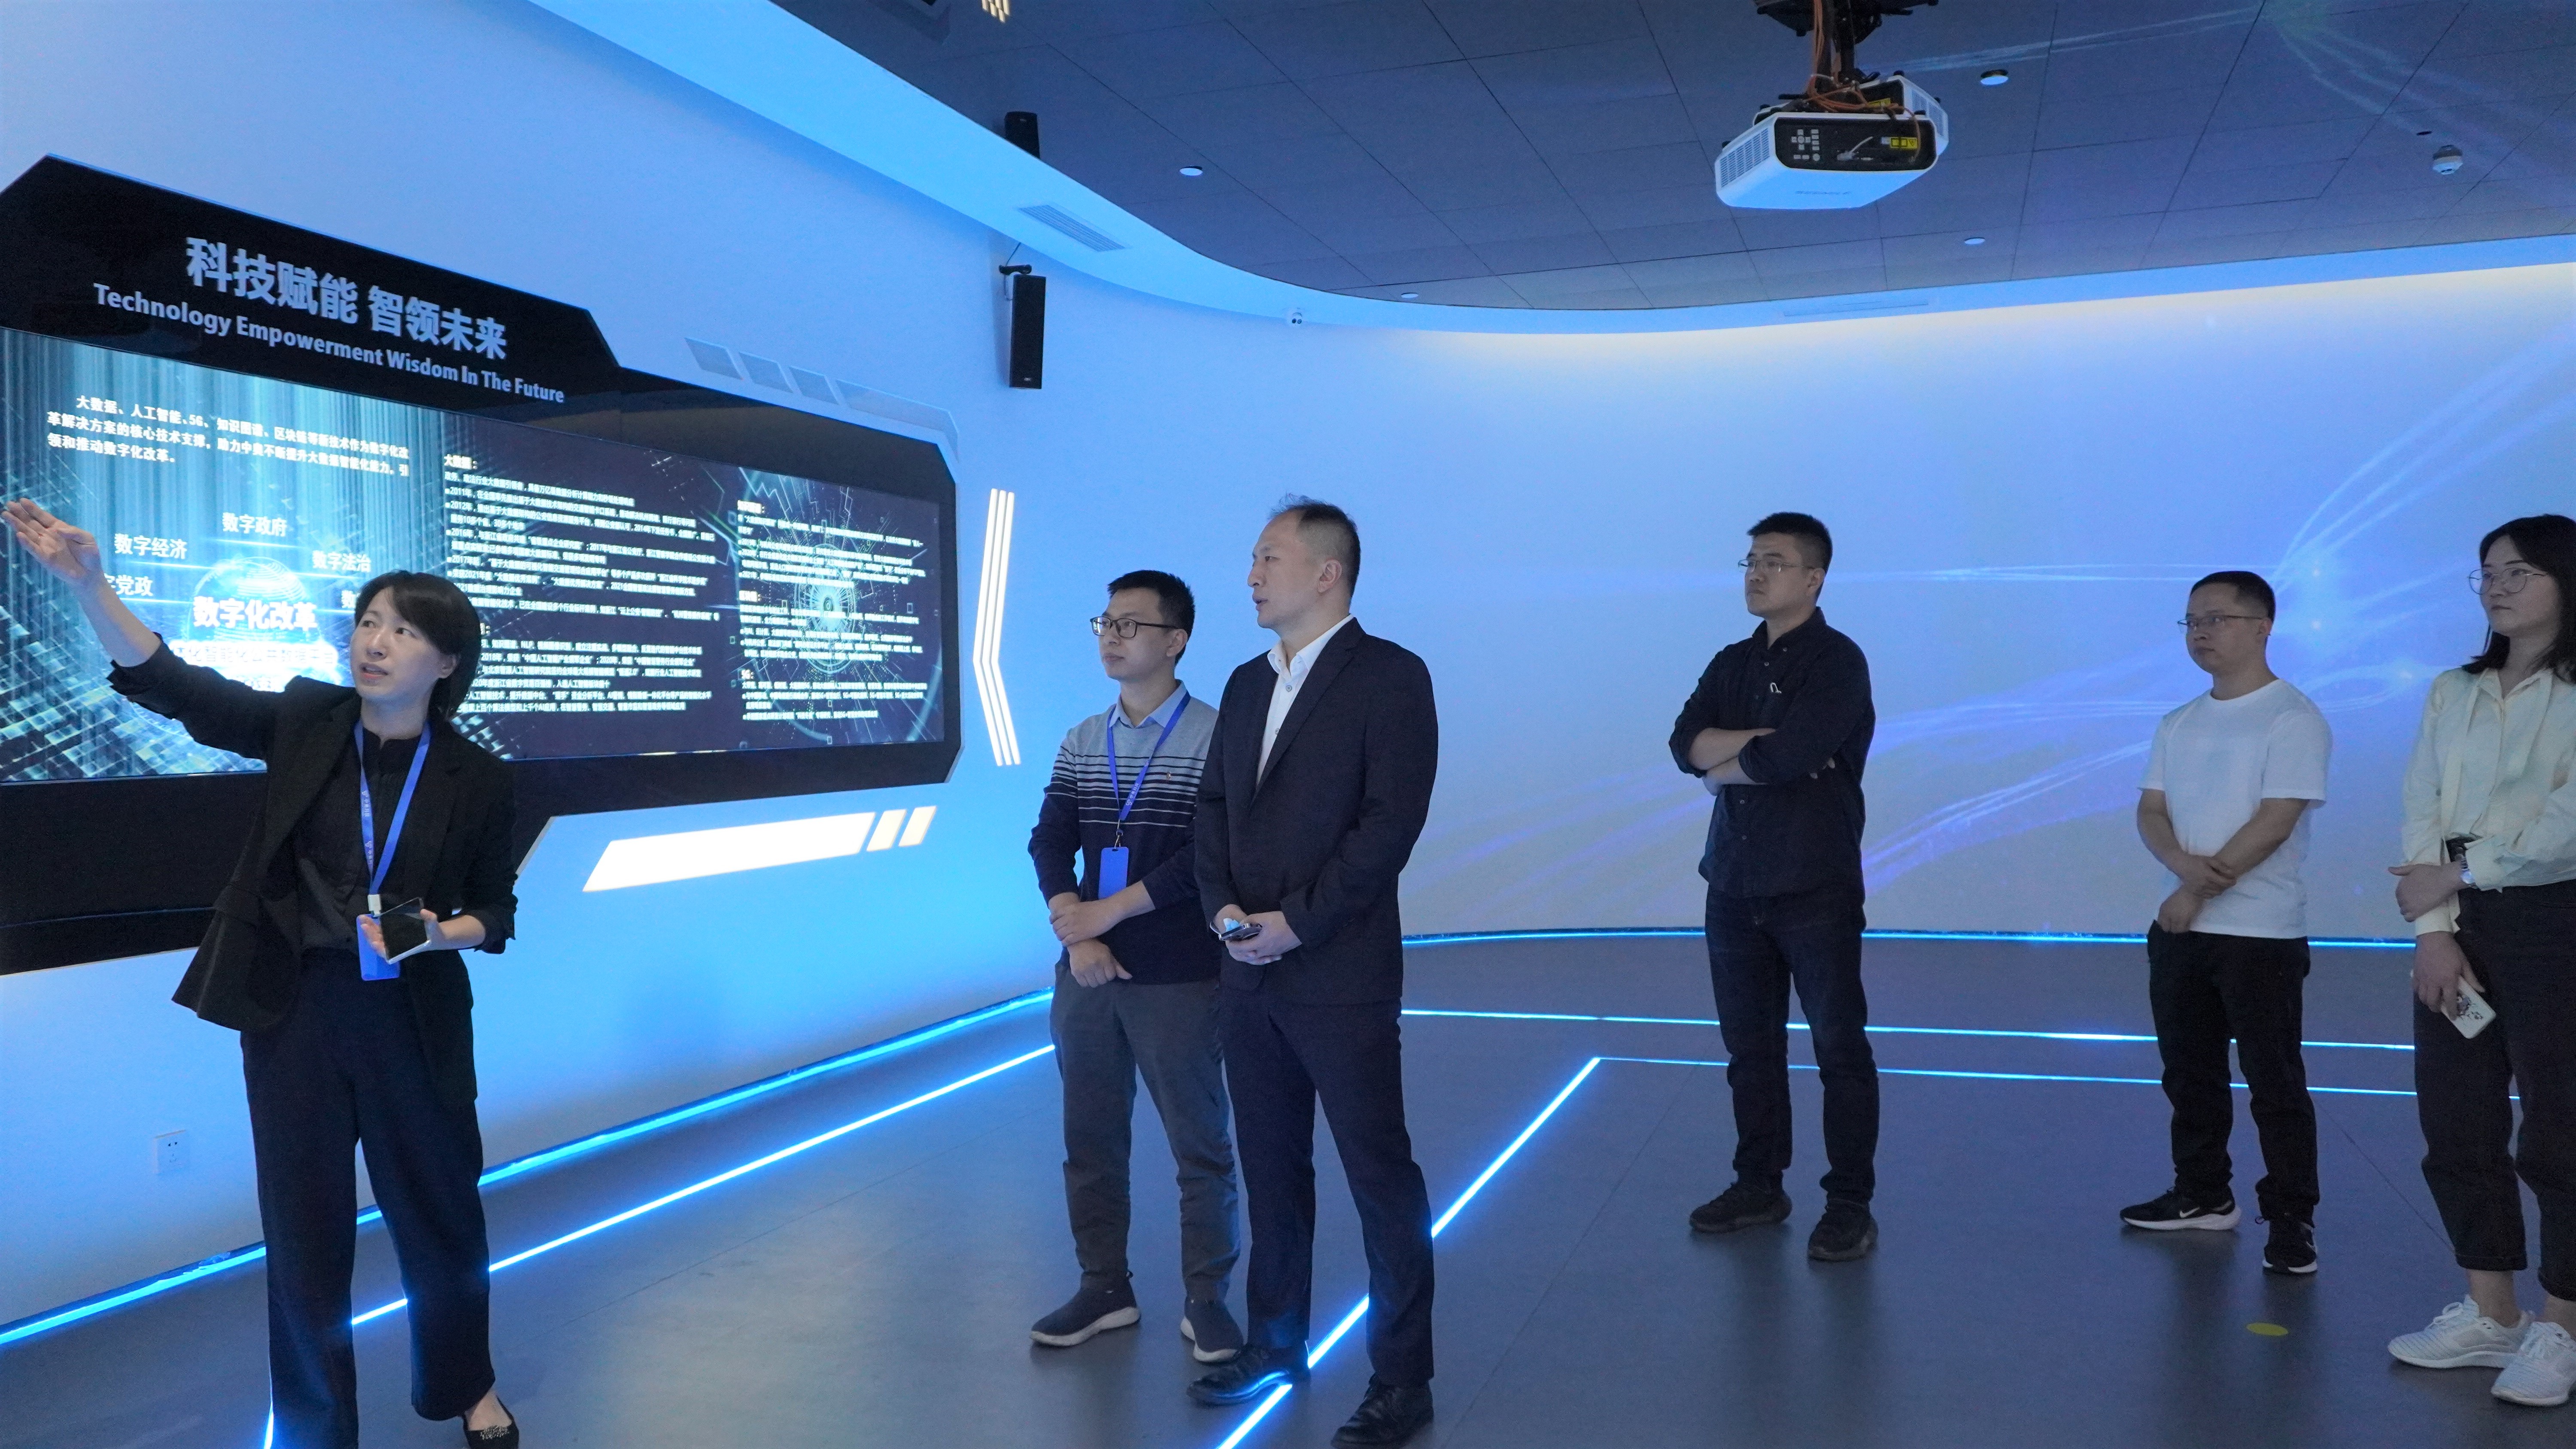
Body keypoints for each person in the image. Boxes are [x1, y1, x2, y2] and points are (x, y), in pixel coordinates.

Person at [5, 500, 521, 1448]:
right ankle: (318, 1425)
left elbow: (497, 912)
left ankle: (468, 1386)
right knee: (304, 1228)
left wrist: (435, 933)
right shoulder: (308, 720)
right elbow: (178, 685)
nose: (376, 643)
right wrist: (91, 584)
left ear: (447, 661)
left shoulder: (479, 778)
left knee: (442, 1209)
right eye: (369, 622)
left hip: (414, 1017)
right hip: (296, 1012)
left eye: (404, 631)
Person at [1188, 497, 1439, 1448]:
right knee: (1270, 1166)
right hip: (1246, 974)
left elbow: (1389, 824)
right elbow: (1214, 809)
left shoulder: (1391, 676)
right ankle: (1276, 1340)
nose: (1252, 575)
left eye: (1269, 558)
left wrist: (1298, 924)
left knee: (1380, 1176)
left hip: (1339, 974)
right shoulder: (1246, 682)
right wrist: (1224, 913)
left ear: (1328, 573)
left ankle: (1402, 1379)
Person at [1025, 570, 1243, 1364]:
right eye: (1106, 623)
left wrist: (1107, 914)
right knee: (1090, 1140)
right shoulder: (1086, 738)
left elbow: (1207, 858)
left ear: (1176, 641)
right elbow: (1050, 840)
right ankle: (1104, 1286)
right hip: (1087, 973)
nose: (1112, 638)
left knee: (1199, 1147)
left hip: (1179, 975)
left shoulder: (1217, 736)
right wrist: (1075, 931)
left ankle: (1207, 1300)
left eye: (1131, 624)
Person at [2386, 513, 2576, 1409]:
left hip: (2554, 918)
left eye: (2519, 571)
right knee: (2457, 1119)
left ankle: (2562, 1322)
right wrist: (2434, 926)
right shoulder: (2452, 690)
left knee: (2560, 1128)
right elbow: (2421, 804)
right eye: (2487, 572)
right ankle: (2492, 1308)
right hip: (2455, 918)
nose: (2497, 586)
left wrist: (2463, 871)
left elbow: (2568, 823)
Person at [1668, 512, 1881, 1261]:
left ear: (1814, 578)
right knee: (1749, 1049)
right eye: (1752, 561)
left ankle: (1849, 1203)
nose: (1757, 574)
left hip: (1814, 883)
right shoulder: (1732, 661)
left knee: (1838, 1047)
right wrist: (1759, 747)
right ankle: (1758, 1184)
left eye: (1775, 562)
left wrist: (1729, 763)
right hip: (1733, 884)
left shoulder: (1838, 662)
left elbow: (1795, 756)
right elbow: (1684, 744)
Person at [2121, 570, 2330, 1275]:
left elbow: (2276, 820)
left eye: (2217, 618)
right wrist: (2181, 869)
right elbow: (2151, 808)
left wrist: (2194, 890)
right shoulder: (2178, 721)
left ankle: (2293, 1218)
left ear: (2263, 626)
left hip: (2261, 934)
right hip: (2183, 931)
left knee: (2275, 1082)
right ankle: (2203, 1193)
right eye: (2191, 621)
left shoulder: (2291, 718)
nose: (2201, 633)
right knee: (2190, 1075)